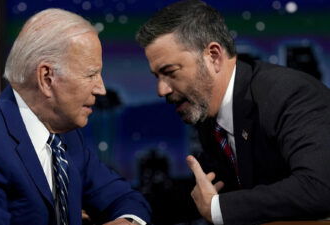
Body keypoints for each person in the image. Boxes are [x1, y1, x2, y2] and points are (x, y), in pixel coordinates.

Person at [135, 0, 330, 224]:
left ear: (214, 56)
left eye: (170, 72)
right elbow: (201, 195)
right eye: (157, 77)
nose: (161, 90)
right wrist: (125, 215)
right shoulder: (209, 117)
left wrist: (219, 208)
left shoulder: (288, 94)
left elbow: (321, 187)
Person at [0, 8, 151, 225]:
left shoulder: (67, 137)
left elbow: (125, 199)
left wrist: (127, 222)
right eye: (91, 74)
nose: (101, 89)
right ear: (47, 78)